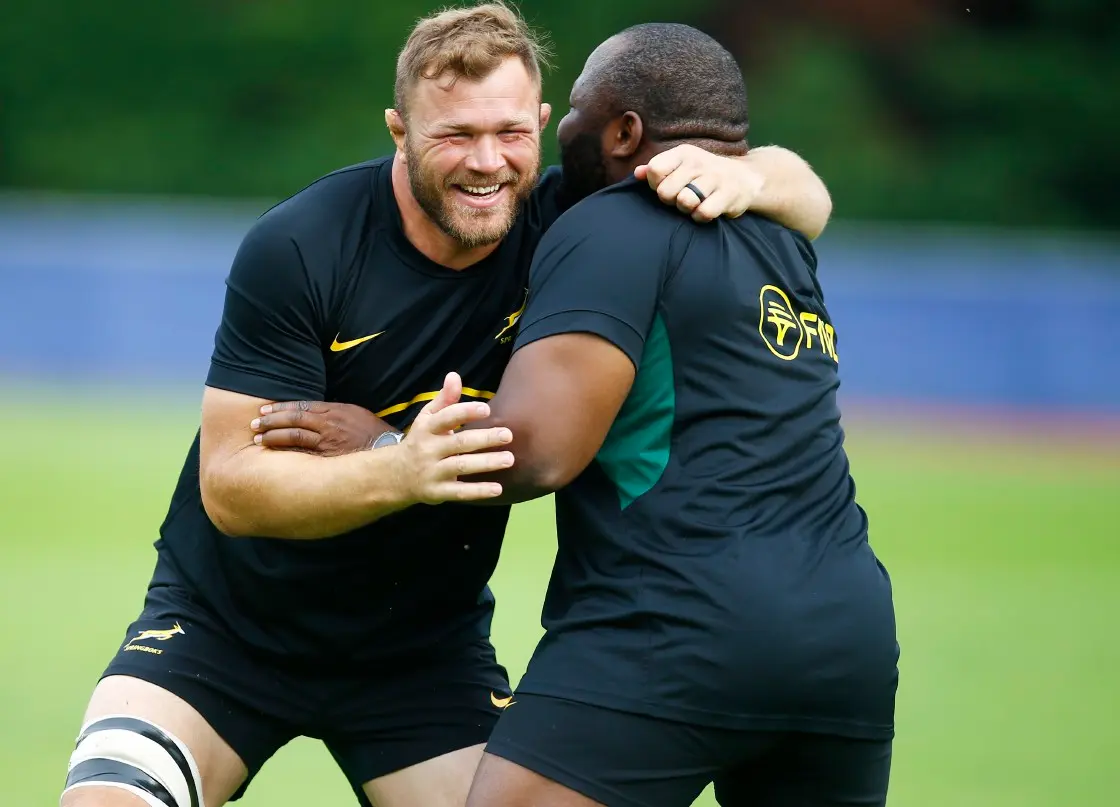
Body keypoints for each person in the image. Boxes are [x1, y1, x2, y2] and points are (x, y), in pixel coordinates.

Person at [59, 5, 835, 807]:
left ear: (541, 123)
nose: (486, 162)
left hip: (421, 655)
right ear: (398, 130)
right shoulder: (302, 244)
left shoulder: (574, 220)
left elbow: (808, 200)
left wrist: (755, 175)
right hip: (223, 635)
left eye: (508, 133)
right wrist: (401, 469)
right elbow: (230, 485)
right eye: (454, 135)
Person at [258, 20, 897, 807]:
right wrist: (764, 173)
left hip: (675, 621)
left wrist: (387, 443)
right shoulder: (780, 235)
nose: (561, 134)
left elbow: (538, 454)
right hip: (850, 637)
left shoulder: (611, 223)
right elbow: (807, 191)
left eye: (576, 112)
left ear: (624, 131)